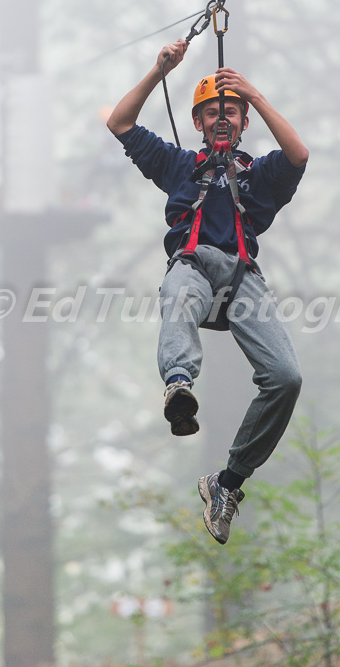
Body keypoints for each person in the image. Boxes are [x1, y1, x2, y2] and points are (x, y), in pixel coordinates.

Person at [107, 38, 308, 545]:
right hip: (193, 266)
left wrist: (255, 96)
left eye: (232, 112)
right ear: (197, 122)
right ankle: (179, 384)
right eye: (213, 112)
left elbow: (298, 153)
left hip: (242, 278)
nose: (223, 118)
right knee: (177, 291)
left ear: (243, 122)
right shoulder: (179, 165)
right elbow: (120, 122)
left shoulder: (259, 175)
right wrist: (160, 70)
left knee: (285, 378)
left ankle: (227, 483)